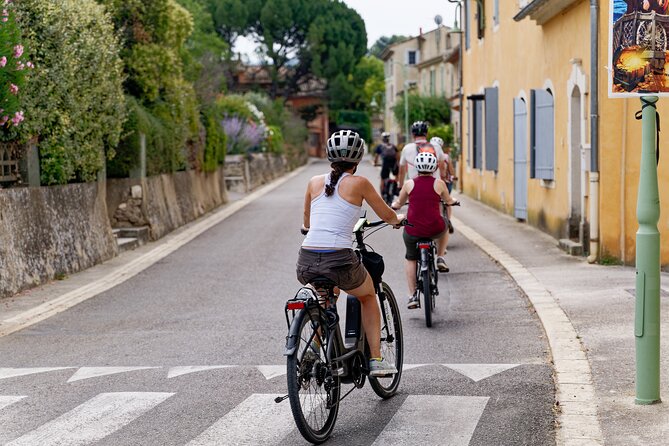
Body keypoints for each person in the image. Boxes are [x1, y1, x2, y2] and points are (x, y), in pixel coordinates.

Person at [297, 130, 404, 376]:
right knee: (367, 296)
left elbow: (307, 224)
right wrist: (397, 220)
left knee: (326, 296)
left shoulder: (313, 182)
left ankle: (314, 346)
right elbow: (387, 215)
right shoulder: (360, 183)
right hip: (339, 258)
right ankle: (376, 359)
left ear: (329, 157)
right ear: (358, 160)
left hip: (307, 260)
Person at [392, 151, 458, 309]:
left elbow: (399, 203)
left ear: (415, 167)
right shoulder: (439, 183)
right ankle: (440, 257)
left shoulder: (409, 184)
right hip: (435, 228)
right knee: (446, 225)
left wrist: (395, 206)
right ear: (435, 167)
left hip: (413, 230)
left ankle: (413, 294)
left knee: (411, 258)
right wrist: (454, 201)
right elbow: (448, 201)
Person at [398, 122, 450, 272]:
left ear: (413, 134)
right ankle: (440, 256)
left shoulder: (407, 148)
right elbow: (442, 165)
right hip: (435, 187)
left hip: (412, 188)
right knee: (440, 218)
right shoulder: (436, 146)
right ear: (426, 133)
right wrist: (444, 180)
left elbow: (402, 170)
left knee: (414, 215)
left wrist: (401, 186)